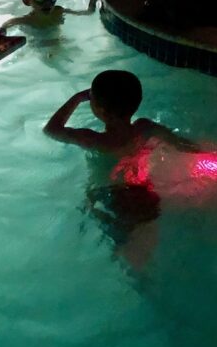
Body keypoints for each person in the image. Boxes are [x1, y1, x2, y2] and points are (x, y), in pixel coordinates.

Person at [44, 70, 201, 269]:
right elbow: (183, 145)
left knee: (127, 259)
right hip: (144, 193)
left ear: (100, 110)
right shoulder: (145, 128)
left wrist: (76, 98)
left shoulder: (95, 140)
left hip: (110, 198)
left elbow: (51, 130)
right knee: (147, 248)